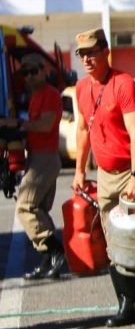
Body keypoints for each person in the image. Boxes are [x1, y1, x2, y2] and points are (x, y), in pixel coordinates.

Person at [72, 28, 135, 326]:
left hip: (131, 171)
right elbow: (82, 130)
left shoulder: (123, 84)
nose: (87, 59)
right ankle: (128, 305)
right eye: (81, 54)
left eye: (92, 52)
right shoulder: (82, 88)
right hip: (105, 174)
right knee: (115, 243)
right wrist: (80, 170)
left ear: (106, 50)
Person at [1, 54, 65, 279]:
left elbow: (46, 125)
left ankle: (56, 250)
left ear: (43, 70)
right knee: (39, 209)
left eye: (33, 71)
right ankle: (48, 260)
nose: (29, 76)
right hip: (37, 158)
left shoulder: (50, 94)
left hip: (45, 160)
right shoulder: (34, 96)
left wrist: (18, 124)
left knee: (25, 208)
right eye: (24, 73)